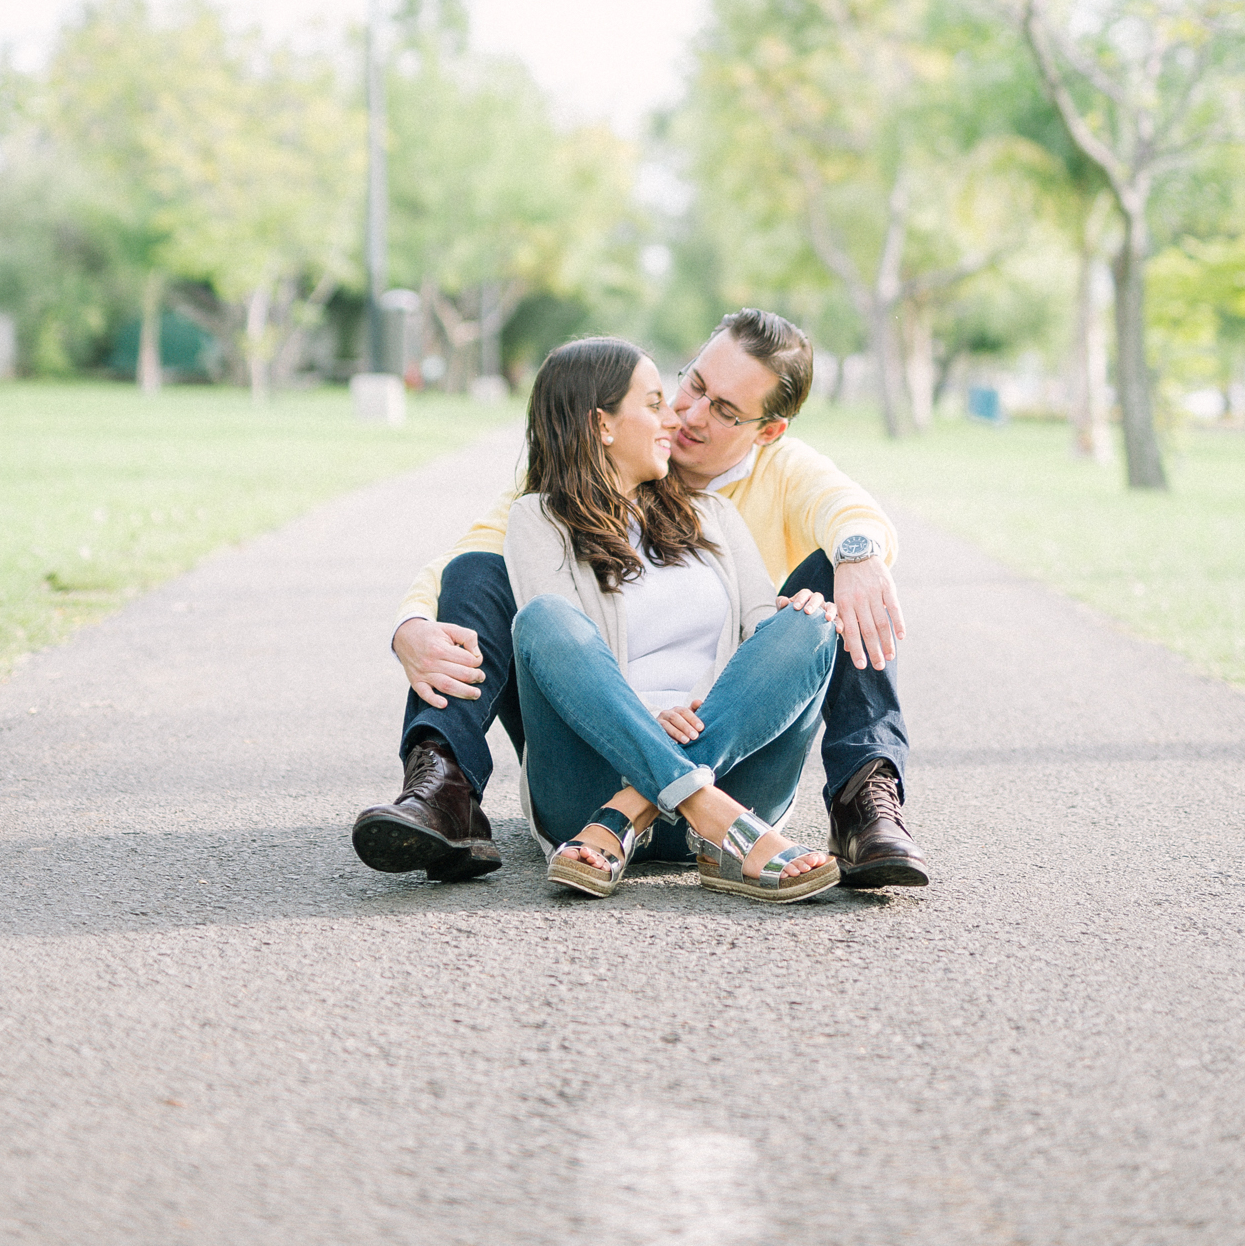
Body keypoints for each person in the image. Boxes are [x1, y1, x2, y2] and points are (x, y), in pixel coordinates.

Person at [352, 307, 929, 888]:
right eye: (691, 386)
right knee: (509, 593)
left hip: (725, 748)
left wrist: (859, 558)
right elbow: (470, 562)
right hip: (595, 763)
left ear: (767, 430)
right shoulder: (544, 512)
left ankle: (855, 801)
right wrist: (411, 623)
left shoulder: (737, 500)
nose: (687, 414)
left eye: (724, 411)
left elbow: (844, 515)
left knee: (825, 606)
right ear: (603, 424)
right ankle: (443, 786)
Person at [495, 337, 842, 901]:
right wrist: (648, 719)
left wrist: (713, 703)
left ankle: (640, 812)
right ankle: (716, 822)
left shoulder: (714, 514)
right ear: (602, 424)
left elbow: (760, 629)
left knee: (810, 623)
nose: (673, 417)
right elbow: (567, 665)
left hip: (725, 774)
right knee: (545, 621)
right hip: (591, 784)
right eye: (653, 404)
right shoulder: (538, 520)